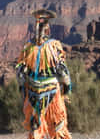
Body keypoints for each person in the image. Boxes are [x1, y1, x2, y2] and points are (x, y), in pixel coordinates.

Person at [16, 9, 72, 139]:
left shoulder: (28, 47)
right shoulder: (54, 46)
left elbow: (20, 71)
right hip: (52, 89)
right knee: (58, 122)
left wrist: (22, 90)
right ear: (48, 30)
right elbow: (62, 70)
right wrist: (67, 88)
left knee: (35, 124)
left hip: (32, 90)